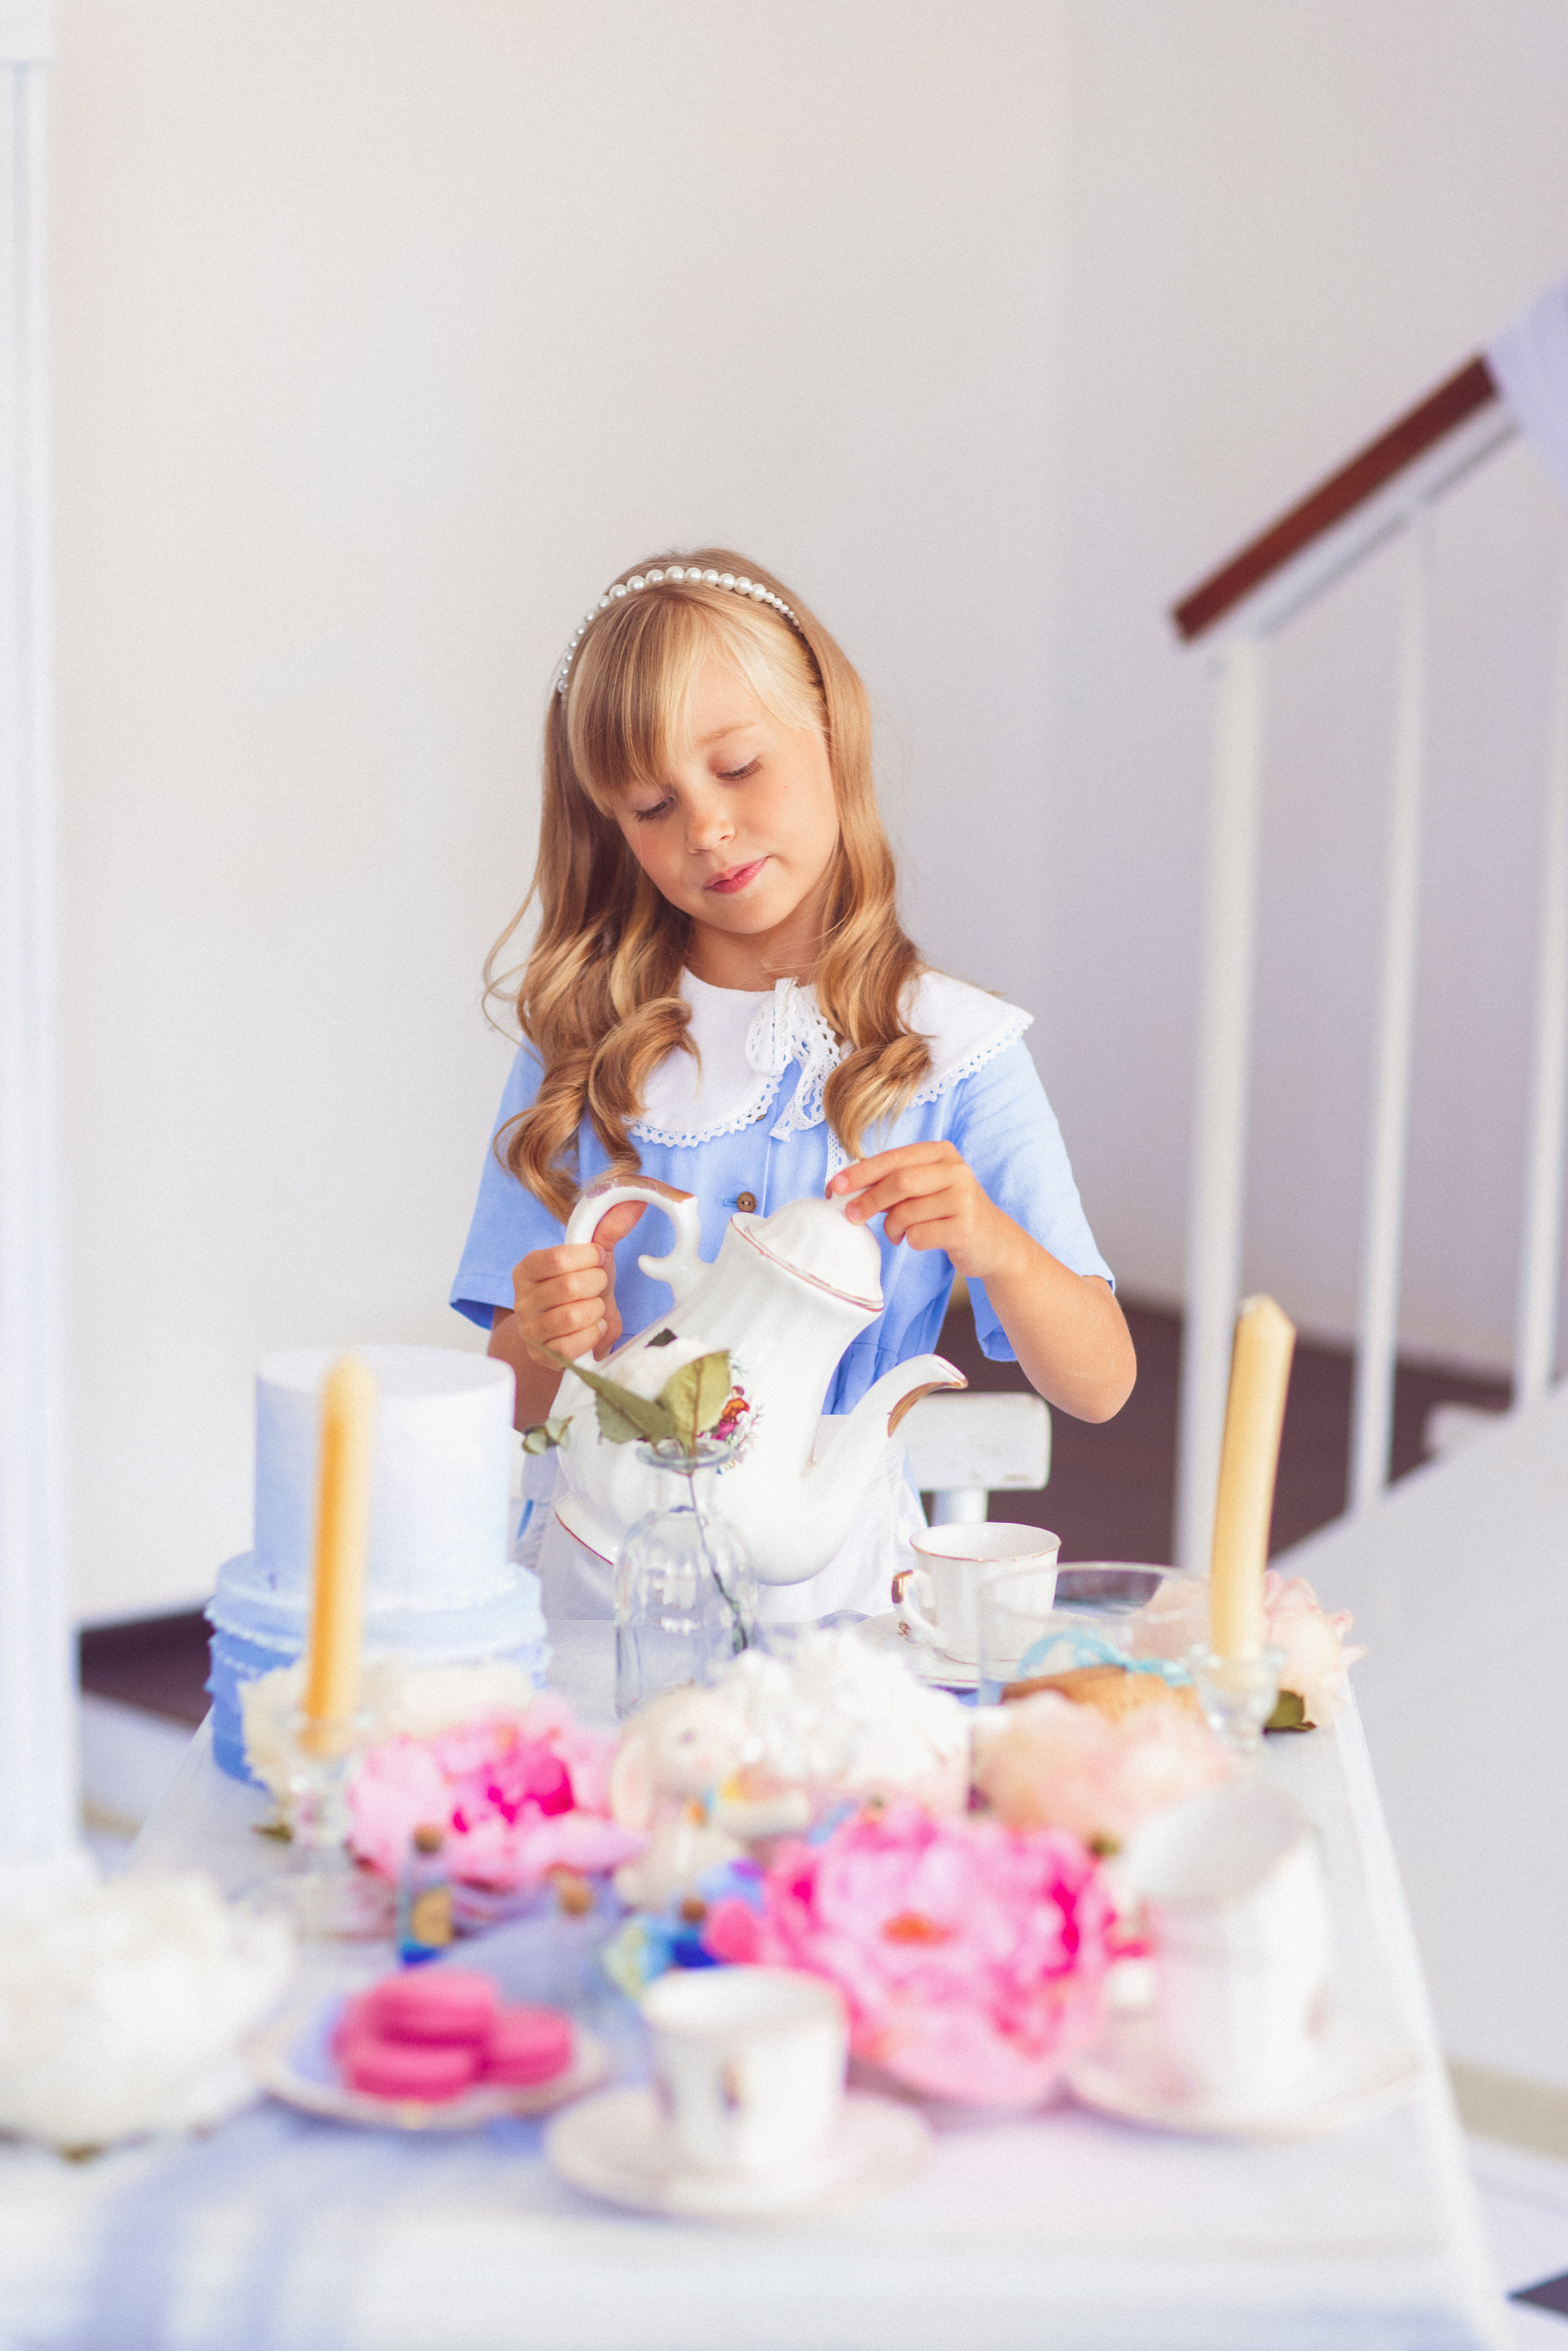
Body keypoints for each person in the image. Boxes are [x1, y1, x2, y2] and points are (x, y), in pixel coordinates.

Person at [452, 550, 1134, 1623]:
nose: (706, 830)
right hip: (599, 1597)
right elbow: (515, 1404)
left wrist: (992, 1241)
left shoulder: (954, 1050)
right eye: (650, 805)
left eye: (738, 767)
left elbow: (1099, 1383)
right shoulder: (577, 1049)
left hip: (847, 1607)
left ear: (830, 724)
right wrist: (541, 1338)